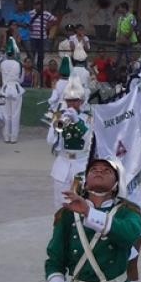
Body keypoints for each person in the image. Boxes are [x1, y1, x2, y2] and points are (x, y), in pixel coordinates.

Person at [48, 74, 92, 207]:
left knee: (81, 203)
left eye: (75, 100)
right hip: (63, 163)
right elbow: (50, 140)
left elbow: (90, 139)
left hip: (81, 164)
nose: (71, 104)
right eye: (69, 101)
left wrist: (78, 122)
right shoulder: (60, 116)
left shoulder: (87, 118)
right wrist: (58, 124)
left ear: (81, 101)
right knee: (60, 203)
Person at [0, 38, 25, 143]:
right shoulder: (18, 64)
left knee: (6, 114)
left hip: (5, 89)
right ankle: (13, 137)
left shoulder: (2, 63)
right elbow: (21, 79)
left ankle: (6, 136)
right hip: (16, 89)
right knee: (15, 114)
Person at [27, 1, 58, 77]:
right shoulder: (30, 13)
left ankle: (39, 71)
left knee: (41, 55)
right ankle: (32, 70)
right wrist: (29, 26)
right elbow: (26, 21)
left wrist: (49, 26)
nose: (38, 7)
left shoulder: (46, 13)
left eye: (40, 5)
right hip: (33, 37)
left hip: (42, 37)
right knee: (32, 55)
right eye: (37, 5)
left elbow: (55, 20)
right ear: (34, 6)